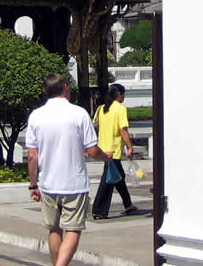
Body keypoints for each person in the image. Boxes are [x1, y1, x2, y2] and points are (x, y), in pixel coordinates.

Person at [26, 75, 110, 266]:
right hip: (74, 184)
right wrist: (105, 156)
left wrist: (33, 184)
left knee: (54, 229)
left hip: (48, 184)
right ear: (65, 88)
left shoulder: (36, 116)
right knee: (73, 230)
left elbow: (32, 156)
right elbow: (91, 150)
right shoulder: (79, 114)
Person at [90, 84, 136, 220]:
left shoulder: (101, 108)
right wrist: (129, 146)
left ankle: (128, 204)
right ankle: (99, 209)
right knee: (109, 179)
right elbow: (123, 130)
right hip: (114, 149)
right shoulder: (120, 109)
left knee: (118, 176)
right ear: (119, 94)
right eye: (123, 94)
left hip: (102, 147)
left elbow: (95, 124)